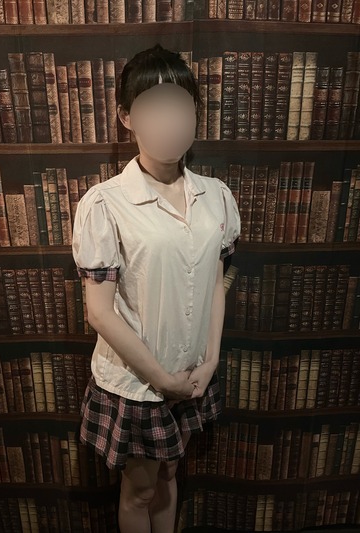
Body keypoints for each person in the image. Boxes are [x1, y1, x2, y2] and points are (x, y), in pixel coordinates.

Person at [72, 43, 241, 533]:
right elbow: (99, 312)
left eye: (180, 105)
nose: (170, 119)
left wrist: (209, 361)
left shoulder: (216, 196)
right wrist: (162, 380)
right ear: (127, 117)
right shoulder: (106, 203)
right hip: (138, 383)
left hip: (193, 372)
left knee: (169, 475)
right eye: (154, 106)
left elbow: (215, 283)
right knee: (140, 489)